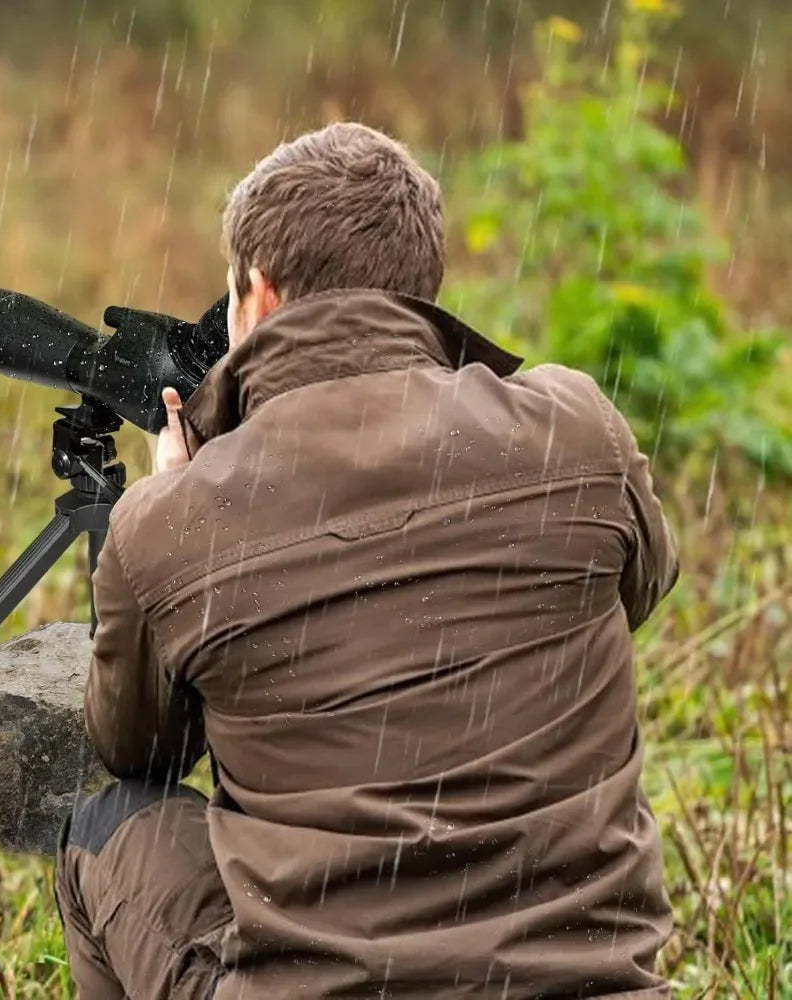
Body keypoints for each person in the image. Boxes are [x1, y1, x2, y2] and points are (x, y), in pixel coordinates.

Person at [54, 121, 679, 999]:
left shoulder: (172, 521)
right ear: (422, 289)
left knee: (110, 824)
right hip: (590, 985)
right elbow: (639, 587)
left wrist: (176, 508)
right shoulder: (578, 428)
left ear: (258, 295)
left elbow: (138, 748)